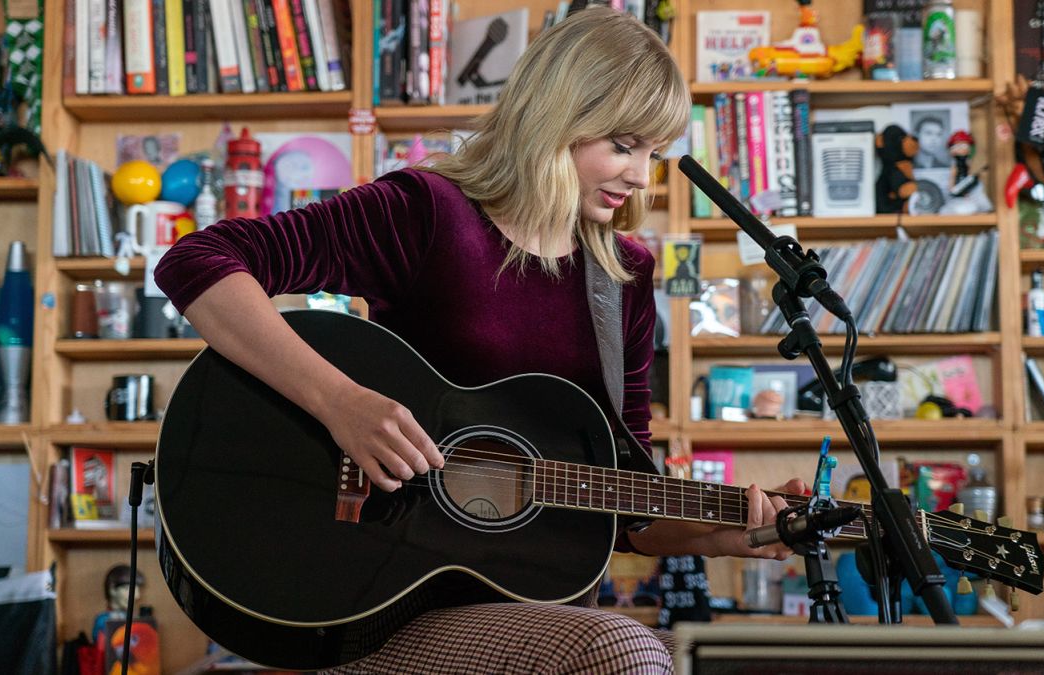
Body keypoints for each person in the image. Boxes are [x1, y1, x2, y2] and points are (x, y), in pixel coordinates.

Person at [155, 7, 805, 673]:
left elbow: (624, 496)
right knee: (620, 648)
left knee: (743, 659)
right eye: (624, 144)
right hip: (382, 601)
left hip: (541, 614)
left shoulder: (626, 275)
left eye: (654, 154)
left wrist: (719, 535)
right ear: (558, 116)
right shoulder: (426, 212)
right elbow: (199, 262)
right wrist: (341, 402)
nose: (642, 176)